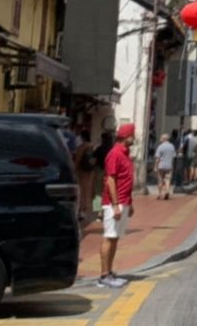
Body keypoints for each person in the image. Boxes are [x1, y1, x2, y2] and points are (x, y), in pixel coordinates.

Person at [98, 123, 136, 289]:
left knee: (115, 238)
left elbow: (126, 180)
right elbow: (110, 180)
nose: (134, 138)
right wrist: (115, 205)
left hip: (123, 201)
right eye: (132, 135)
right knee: (109, 237)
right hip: (115, 202)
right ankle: (104, 275)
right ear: (126, 136)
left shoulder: (125, 154)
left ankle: (110, 272)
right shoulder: (115, 154)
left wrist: (130, 202)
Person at [73, 130, 96, 222]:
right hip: (90, 171)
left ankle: (81, 211)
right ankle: (86, 210)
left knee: (81, 191)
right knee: (88, 191)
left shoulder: (81, 147)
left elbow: (78, 158)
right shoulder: (93, 146)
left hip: (81, 171)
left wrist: (74, 167)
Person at [93, 131, 113, 204]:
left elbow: (93, 156)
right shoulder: (112, 149)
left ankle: (97, 209)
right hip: (109, 172)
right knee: (107, 190)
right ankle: (106, 207)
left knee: (97, 190)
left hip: (99, 170)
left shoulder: (100, 148)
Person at [154, 134, 176, 200]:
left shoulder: (160, 147)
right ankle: (167, 192)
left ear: (164, 139)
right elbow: (173, 157)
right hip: (169, 166)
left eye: (161, 138)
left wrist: (155, 166)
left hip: (161, 166)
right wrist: (172, 166)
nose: (160, 139)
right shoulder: (172, 146)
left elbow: (158, 158)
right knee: (168, 180)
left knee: (160, 180)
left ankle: (159, 194)